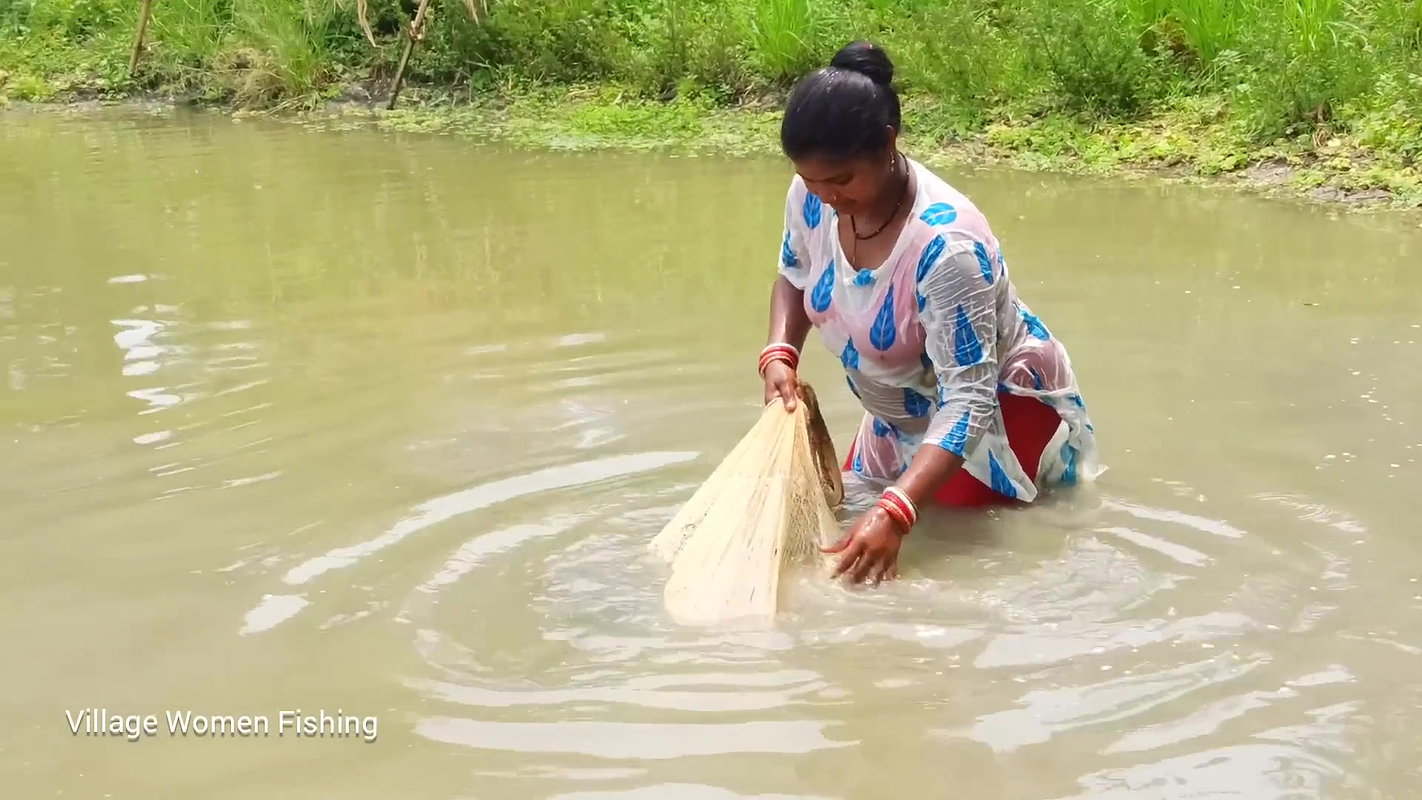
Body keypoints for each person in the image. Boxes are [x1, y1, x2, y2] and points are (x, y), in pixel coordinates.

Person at [760, 40, 1100, 586]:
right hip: (900, 406)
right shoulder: (812, 192)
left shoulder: (945, 249)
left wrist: (898, 511)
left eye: (841, 181)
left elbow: (968, 397)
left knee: (960, 559)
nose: (825, 198)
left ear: (888, 144)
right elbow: (794, 271)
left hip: (992, 415)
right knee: (843, 534)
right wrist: (780, 353)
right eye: (812, 181)